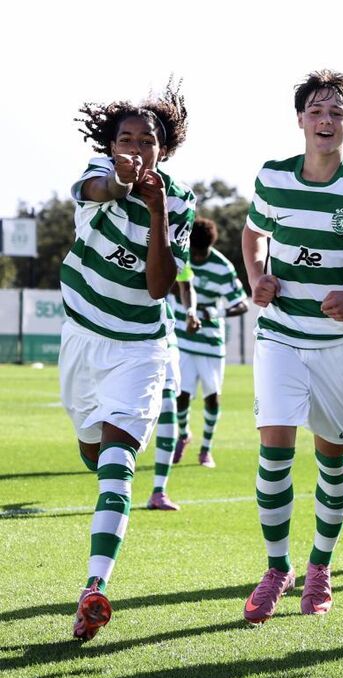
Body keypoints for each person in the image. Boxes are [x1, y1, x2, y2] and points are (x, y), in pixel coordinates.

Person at [240, 70, 343, 623]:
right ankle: (276, 568)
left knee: (333, 459)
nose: (325, 120)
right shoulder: (273, 177)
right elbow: (253, 234)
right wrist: (257, 277)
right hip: (281, 335)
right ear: (300, 119)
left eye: (336, 112)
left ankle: (320, 566)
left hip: (340, 345)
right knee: (274, 453)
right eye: (316, 110)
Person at [61, 79, 195, 640]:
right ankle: (96, 461)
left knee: (118, 460)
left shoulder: (180, 200)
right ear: (111, 144)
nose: (136, 149)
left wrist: (158, 209)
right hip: (82, 337)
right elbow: (102, 188)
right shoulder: (98, 172)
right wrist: (122, 180)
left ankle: (94, 588)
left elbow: (160, 286)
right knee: (93, 453)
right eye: (127, 140)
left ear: (164, 148)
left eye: (147, 141)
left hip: (140, 346)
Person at [170, 217, 248, 469]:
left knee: (212, 397)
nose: (196, 256)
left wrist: (217, 312)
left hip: (211, 342)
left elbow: (241, 304)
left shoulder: (222, 267)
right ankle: (183, 435)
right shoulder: (182, 257)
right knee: (181, 395)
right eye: (193, 251)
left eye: (200, 252)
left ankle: (206, 449)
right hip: (183, 337)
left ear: (209, 246)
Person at [148, 276, 199, 511]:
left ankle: (159, 491)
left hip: (163, 335)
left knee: (169, 405)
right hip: (121, 335)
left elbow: (186, 285)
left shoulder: (176, 251)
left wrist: (190, 311)